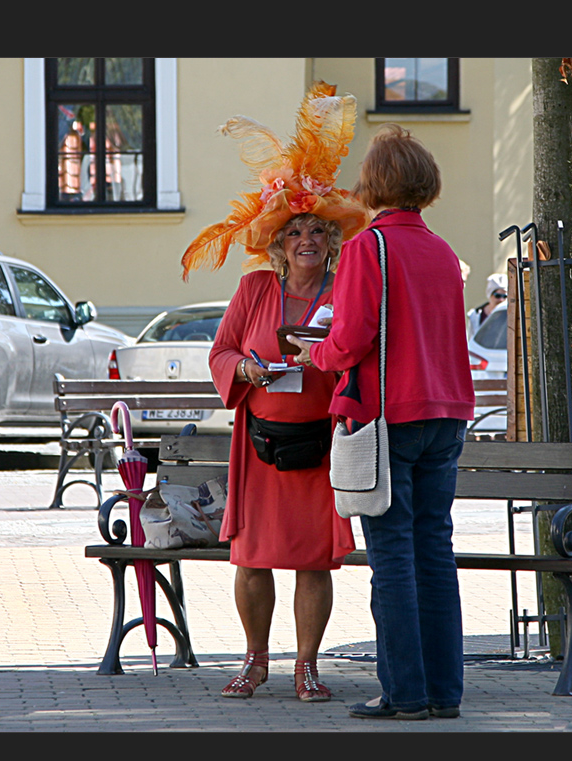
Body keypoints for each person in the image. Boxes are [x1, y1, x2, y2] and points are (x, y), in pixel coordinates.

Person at [180, 83, 370, 703]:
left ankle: (307, 667)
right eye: (295, 233)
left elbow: (365, 355)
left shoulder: (346, 289)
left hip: (323, 444)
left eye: (317, 230)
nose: (308, 240)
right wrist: (247, 371)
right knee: (252, 557)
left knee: (314, 559)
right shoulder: (254, 290)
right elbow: (221, 353)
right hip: (260, 443)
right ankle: (256, 659)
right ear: (279, 245)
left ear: (331, 240)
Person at [288, 124, 475, 720]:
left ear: (374, 185)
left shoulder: (371, 247)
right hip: (446, 414)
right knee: (434, 554)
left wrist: (311, 352)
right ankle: (445, 692)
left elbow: (349, 340)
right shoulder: (445, 251)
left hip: (387, 417)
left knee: (392, 557)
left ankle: (404, 693)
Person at [466, 272, 508, 340]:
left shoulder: (509, 315)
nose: (501, 299)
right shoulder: (475, 315)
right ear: (490, 295)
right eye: (497, 296)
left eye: (505, 296)